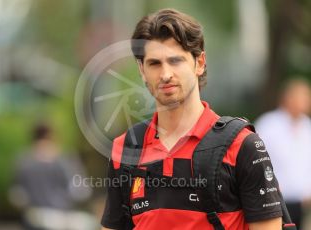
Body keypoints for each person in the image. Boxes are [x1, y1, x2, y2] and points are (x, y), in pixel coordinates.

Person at [101, 9, 284, 230]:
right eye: (154, 64)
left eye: (175, 60)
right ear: (142, 70)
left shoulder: (242, 145)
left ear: (199, 63)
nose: (166, 74)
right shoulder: (126, 148)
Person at [9, 123, 93, 230]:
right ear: (53, 136)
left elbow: (17, 195)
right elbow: (82, 192)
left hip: (35, 216)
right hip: (63, 216)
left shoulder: (23, 161)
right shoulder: (66, 160)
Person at [255, 79, 311, 229]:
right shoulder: (268, 124)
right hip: (274, 200)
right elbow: (257, 160)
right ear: (288, 98)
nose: (305, 102)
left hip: (301, 201)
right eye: (301, 97)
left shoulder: (307, 127)